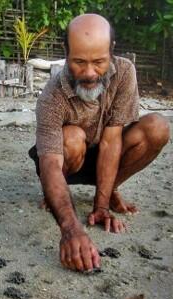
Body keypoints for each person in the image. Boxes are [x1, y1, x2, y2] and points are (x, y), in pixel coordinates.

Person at [29, 14, 170, 272]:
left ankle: (109, 189)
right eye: (79, 62)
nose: (90, 73)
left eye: (99, 62)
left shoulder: (124, 72)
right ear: (66, 53)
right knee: (72, 136)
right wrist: (71, 229)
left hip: (106, 153)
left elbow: (111, 140)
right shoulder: (52, 95)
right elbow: (49, 162)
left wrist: (101, 206)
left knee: (157, 128)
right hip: (67, 161)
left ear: (112, 52)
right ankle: (56, 195)